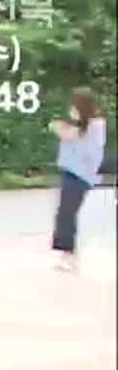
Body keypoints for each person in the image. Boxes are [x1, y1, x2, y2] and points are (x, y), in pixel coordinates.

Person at [50, 88, 107, 274]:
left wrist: (71, 124)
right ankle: (67, 253)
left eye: (74, 103)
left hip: (81, 175)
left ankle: (67, 254)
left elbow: (73, 137)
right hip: (70, 172)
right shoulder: (82, 124)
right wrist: (67, 125)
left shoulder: (96, 124)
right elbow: (58, 129)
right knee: (65, 213)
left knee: (66, 214)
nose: (71, 107)